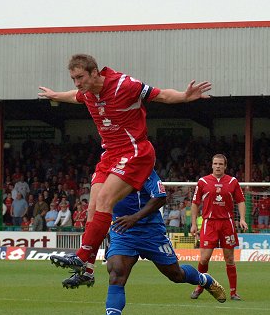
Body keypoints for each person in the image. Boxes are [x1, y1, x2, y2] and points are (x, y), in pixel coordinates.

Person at [39, 53, 211, 272]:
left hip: (135, 151)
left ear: (95, 72)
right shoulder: (88, 93)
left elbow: (162, 96)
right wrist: (56, 95)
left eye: (80, 77)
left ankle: (82, 257)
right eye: (73, 78)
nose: (77, 83)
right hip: (110, 154)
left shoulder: (124, 85)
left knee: (104, 200)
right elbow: (75, 96)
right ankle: (88, 268)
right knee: (91, 208)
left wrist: (184, 96)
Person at [62, 170, 226, 315]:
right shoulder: (103, 174)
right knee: (116, 273)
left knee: (175, 274)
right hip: (122, 230)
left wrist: (135, 217)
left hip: (151, 231)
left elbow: (161, 197)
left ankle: (204, 279)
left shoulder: (143, 171)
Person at [190, 154, 248, 301]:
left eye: (221, 164)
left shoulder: (233, 181)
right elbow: (195, 203)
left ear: (225, 166)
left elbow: (241, 201)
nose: (218, 166)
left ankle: (233, 292)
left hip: (227, 223)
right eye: (215, 163)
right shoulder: (203, 182)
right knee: (204, 258)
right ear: (212, 165)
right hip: (209, 223)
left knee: (229, 259)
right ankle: (199, 287)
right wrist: (192, 224)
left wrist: (242, 218)